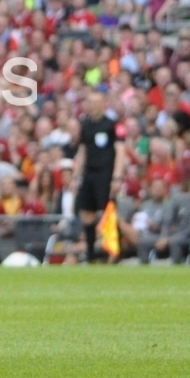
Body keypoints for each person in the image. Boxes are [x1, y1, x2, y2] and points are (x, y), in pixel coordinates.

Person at [74, 91, 123, 260]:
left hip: (105, 173)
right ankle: (90, 253)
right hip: (89, 173)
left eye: (97, 102)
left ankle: (113, 253)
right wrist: (76, 175)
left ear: (104, 104)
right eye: (91, 102)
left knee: (107, 213)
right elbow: (82, 151)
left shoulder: (111, 125)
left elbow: (120, 150)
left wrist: (117, 176)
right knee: (87, 213)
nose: (94, 105)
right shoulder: (85, 125)